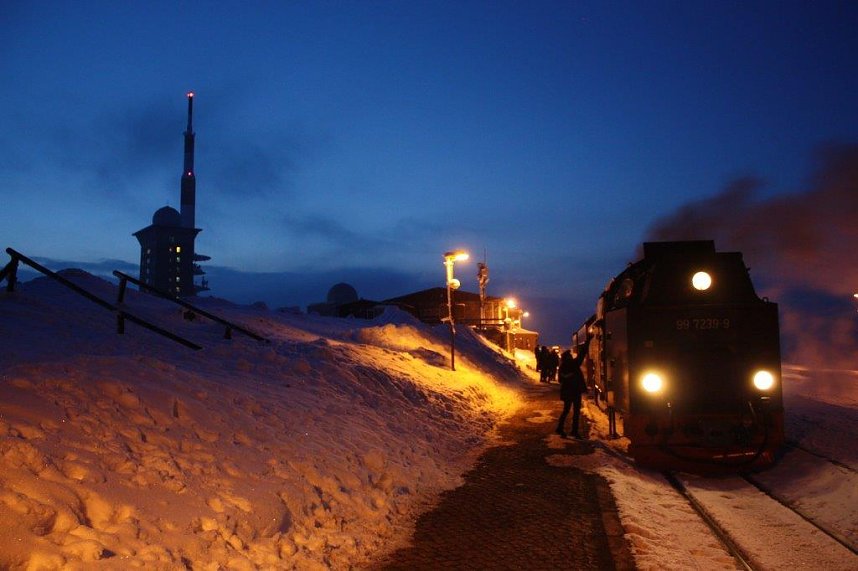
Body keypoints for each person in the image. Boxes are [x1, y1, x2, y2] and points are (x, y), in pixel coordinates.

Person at [556, 339, 590, 438]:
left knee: (566, 410)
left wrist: (567, 377)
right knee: (576, 412)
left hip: (567, 392)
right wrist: (588, 341)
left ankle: (560, 428)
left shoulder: (562, 366)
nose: (571, 357)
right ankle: (574, 431)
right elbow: (581, 355)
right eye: (570, 356)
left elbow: (560, 380)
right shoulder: (573, 364)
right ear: (568, 357)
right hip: (575, 391)